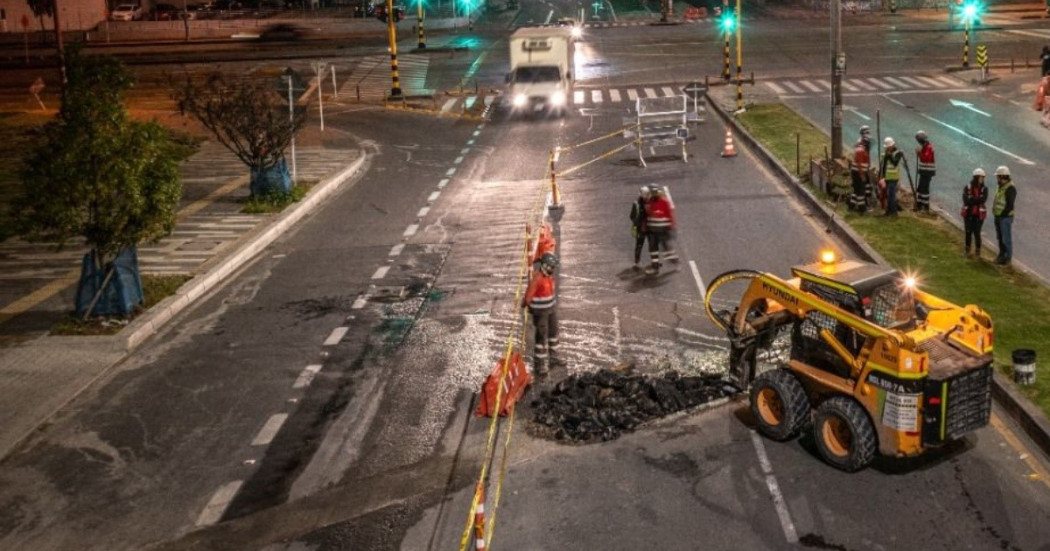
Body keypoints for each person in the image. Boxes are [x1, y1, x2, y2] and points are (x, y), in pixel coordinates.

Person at [523, 252, 563, 374]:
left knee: (553, 332)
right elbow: (528, 297)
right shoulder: (537, 278)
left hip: (550, 310)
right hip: (540, 313)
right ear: (545, 266)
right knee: (541, 336)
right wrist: (526, 305)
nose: (553, 269)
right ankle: (540, 365)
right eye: (551, 266)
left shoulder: (549, 277)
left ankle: (554, 357)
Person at [643, 184, 678, 275]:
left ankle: (675, 261)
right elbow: (647, 215)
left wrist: (672, 227)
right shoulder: (649, 203)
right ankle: (655, 267)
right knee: (653, 249)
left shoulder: (664, 202)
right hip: (652, 230)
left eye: (655, 193)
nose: (654, 195)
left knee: (666, 248)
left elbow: (670, 215)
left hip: (663, 230)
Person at [992, 166, 1016, 266]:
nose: (997, 179)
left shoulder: (1010, 188)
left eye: (998, 177)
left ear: (1002, 176)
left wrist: (1001, 214)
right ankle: (1001, 255)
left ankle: (1007, 259)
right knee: (1000, 237)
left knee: (1006, 239)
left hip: (1005, 217)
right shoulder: (1000, 186)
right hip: (998, 216)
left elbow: (1009, 205)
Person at [961, 168, 988, 258]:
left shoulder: (984, 189)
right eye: (981, 177)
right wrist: (976, 200)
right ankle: (967, 250)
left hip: (978, 215)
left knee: (977, 232)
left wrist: (972, 199)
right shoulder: (968, 187)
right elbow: (966, 200)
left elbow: (983, 199)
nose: (982, 179)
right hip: (968, 213)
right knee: (968, 232)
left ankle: (977, 252)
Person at [879, 136, 904, 216]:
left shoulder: (898, 153)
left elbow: (895, 163)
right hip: (887, 177)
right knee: (888, 195)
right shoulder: (885, 153)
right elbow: (883, 165)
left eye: (888, 147)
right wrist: (882, 177)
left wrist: (889, 156)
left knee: (891, 195)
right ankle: (888, 211)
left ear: (892, 145)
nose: (887, 148)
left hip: (893, 177)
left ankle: (893, 212)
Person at [849, 127, 872, 213]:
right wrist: (862, 174)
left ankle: (851, 206)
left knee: (856, 190)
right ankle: (862, 208)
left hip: (859, 172)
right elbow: (859, 163)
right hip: (858, 173)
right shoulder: (860, 150)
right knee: (861, 191)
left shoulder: (862, 149)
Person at [914, 130, 936, 212]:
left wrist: (919, 153)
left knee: (924, 189)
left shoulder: (929, 147)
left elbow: (926, 159)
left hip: (927, 172)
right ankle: (919, 204)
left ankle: (925, 206)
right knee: (920, 188)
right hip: (924, 171)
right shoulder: (925, 147)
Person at [629, 186, 650, 268]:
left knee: (639, 245)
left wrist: (636, 223)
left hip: (642, 228)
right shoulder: (649, 203)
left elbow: (631, 216)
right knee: (650, 245)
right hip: (646, 228)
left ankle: (636, 262)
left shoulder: (636, 204)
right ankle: (638, 262)